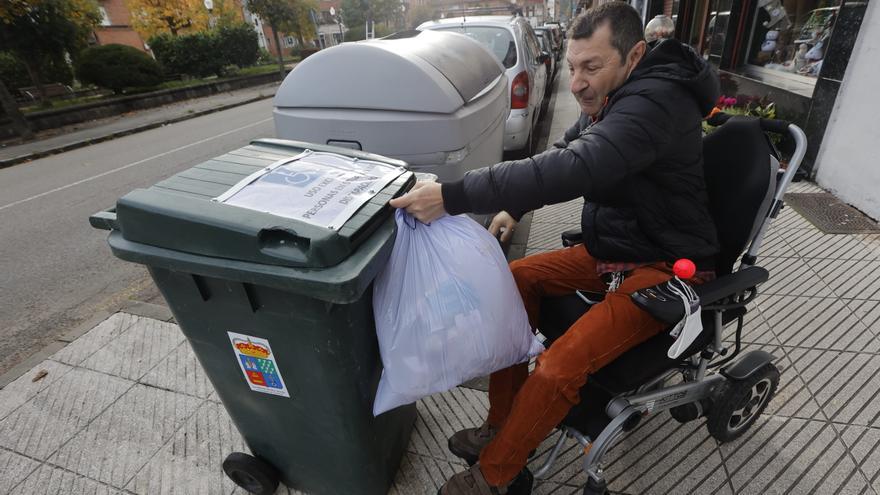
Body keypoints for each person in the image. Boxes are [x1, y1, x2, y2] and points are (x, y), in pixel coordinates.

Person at [390, 3, 720, 494]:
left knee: (557, 366)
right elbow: (562, 153)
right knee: (513, 280)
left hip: (665, 266)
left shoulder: (656, 103)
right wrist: (515, 208)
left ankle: (498, 474)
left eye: (592, 67)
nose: (577, 82)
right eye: (571, 67)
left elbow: (579, 167)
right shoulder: (615, 96)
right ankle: (502, 426)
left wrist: (452, 196)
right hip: (616, 248)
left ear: (634, 55)